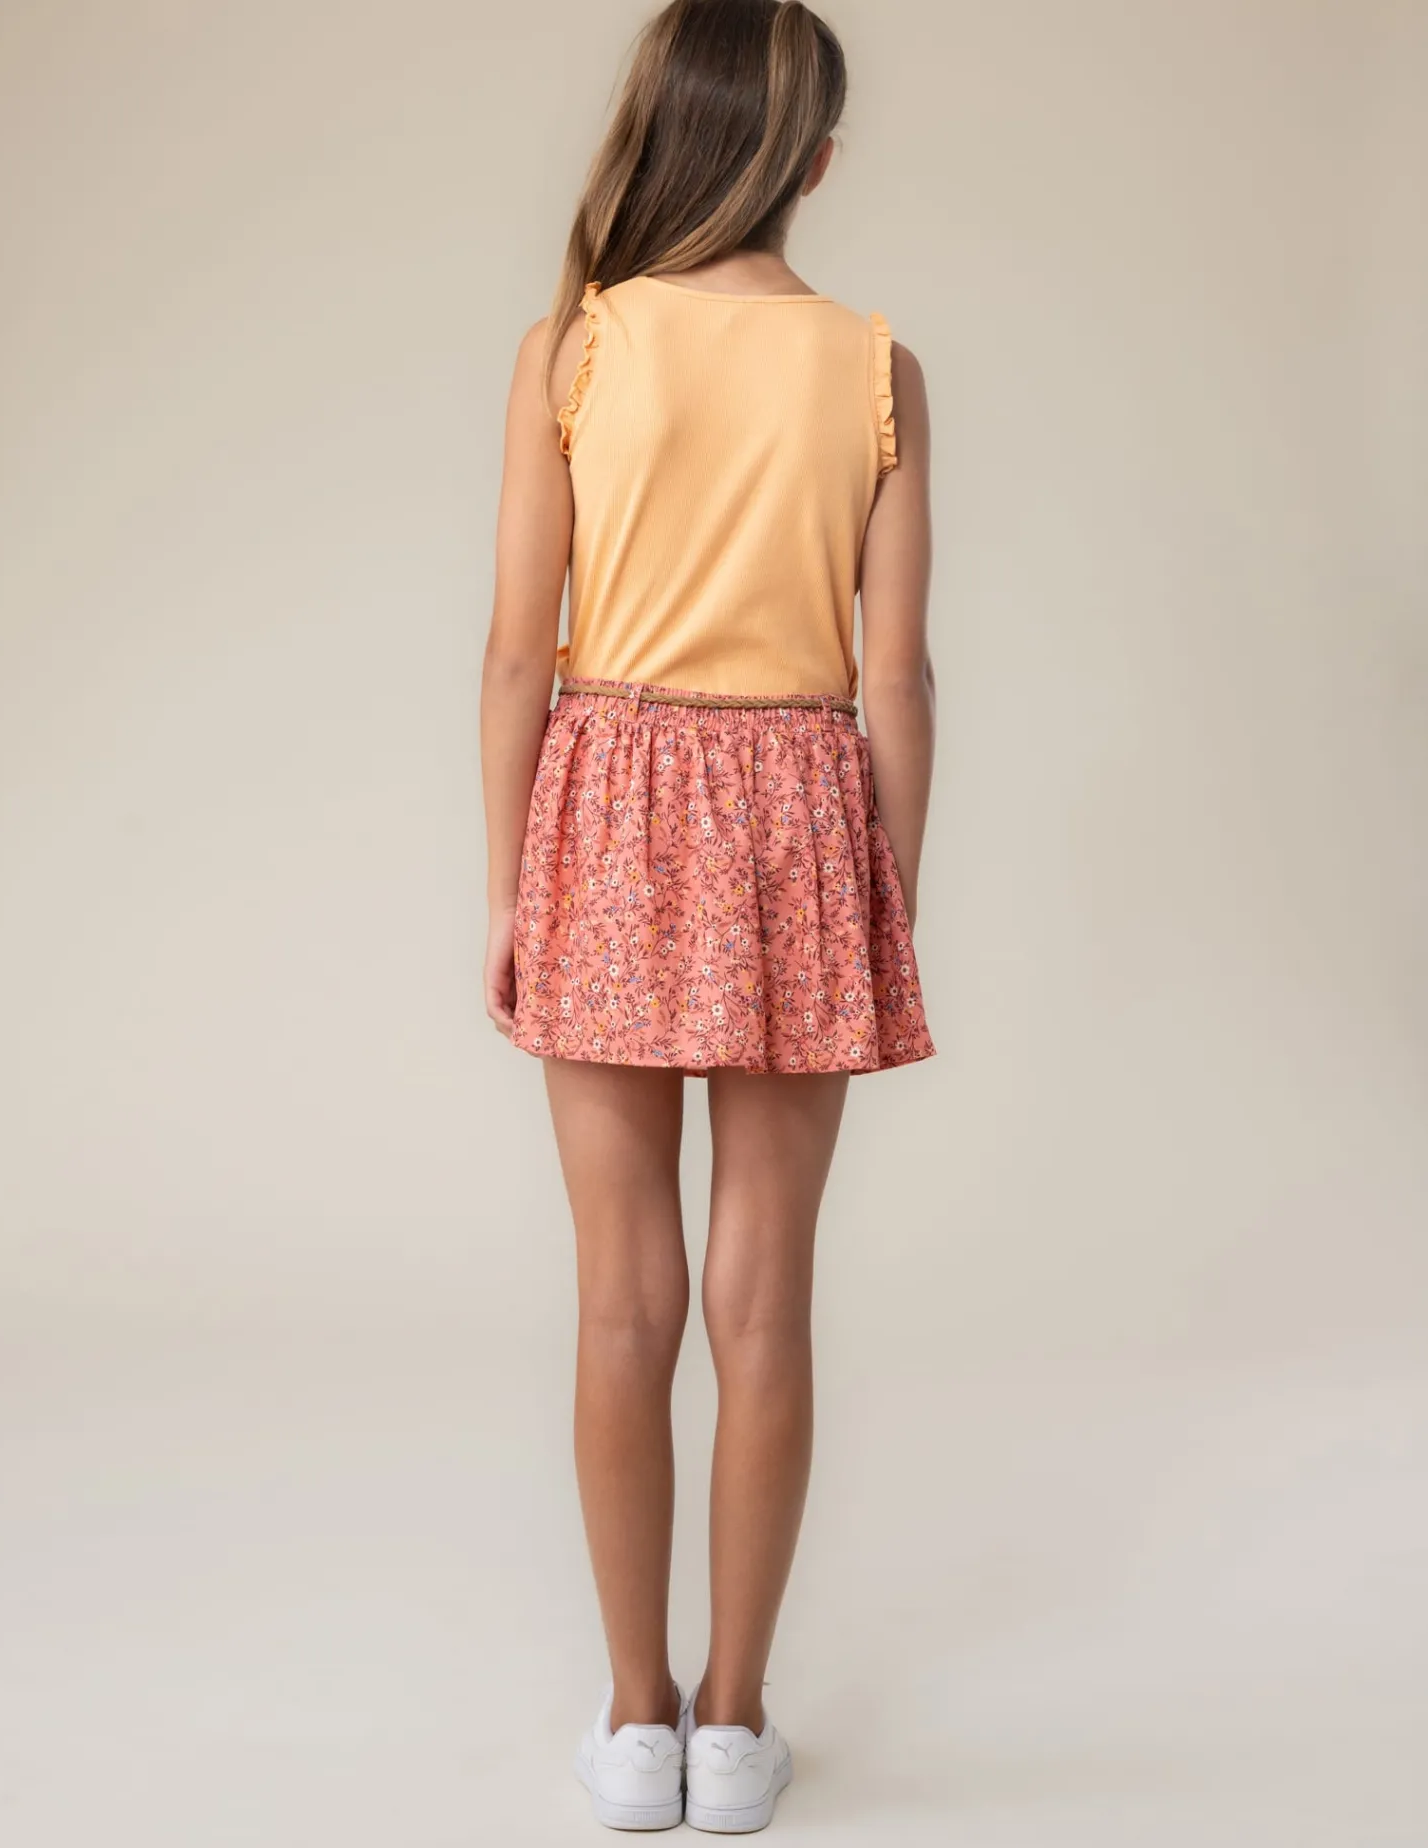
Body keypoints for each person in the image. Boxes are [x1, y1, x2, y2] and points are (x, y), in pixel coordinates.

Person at [478, 0, 937, 1829]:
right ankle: (736, 1726)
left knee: (624, 1300)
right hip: (802, 810)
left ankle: (633, 1723)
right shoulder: (877, 366)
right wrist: (887, 893)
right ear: (813, 158)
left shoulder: (574, 347)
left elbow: (517, 651)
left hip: (606, 804)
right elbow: (896, 678)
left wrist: (510, 883)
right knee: (766, 1297)